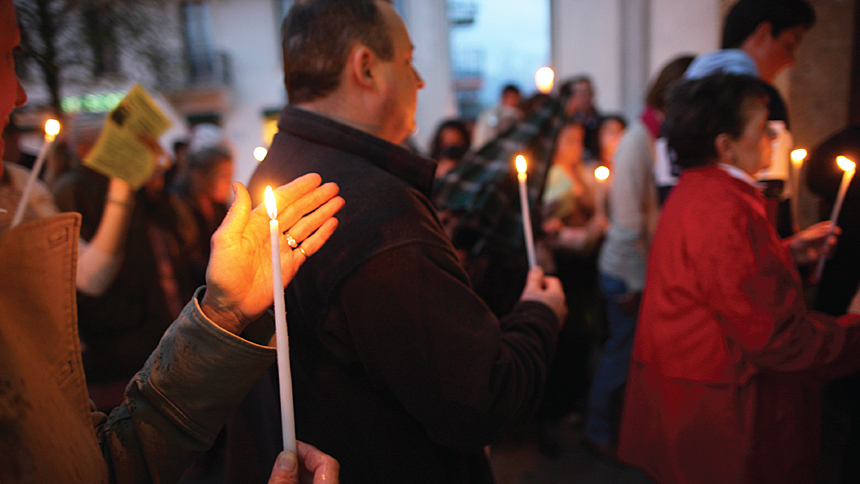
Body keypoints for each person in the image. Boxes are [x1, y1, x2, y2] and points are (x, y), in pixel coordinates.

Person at [0, 1, 342, 481]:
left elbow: (98, 466)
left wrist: (222, 312)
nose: (19, 95)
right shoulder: (67, 194)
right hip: (115, 353)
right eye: (6, 56)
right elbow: (95, 278)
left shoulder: (152, 203)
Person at [231, 1, 568, 482]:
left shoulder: (280, 169)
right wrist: (540, 314)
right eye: (408, 62)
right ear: (365, 67)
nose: (421, 81)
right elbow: (479, 399)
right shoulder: (373, 208)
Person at [617, 74, 860, 484]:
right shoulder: (724, 209)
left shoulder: (700, 190)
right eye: (763, 128)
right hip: (722, 410)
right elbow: (779, 340)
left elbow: (715, 278)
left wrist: (784, 250)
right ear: (725, 145)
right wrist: (853, 329)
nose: (773, 138)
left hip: (694, 394)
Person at [584, 55, 693, 457]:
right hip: (626, 270)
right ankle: (598, 431)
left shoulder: (658, 137)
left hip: (643, 267)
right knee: (620, 356)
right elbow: (629, 224)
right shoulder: (637, 142)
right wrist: (637, 283)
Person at [673, 0, 816, 236]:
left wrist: (786, 250)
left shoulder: (694, 95)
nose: (791, 61)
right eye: (789, 45)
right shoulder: (712, 101)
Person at [560, 75, 601, 160]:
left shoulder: (601, 123)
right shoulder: (564, 124)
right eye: (580, 93)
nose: (584, 98)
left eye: (587, 93)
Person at [471, 83, 522, 150]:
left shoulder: (489, 112)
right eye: (513, 97)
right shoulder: (499, 113)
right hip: (489, 151)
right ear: (504, 97)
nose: (516, 101)